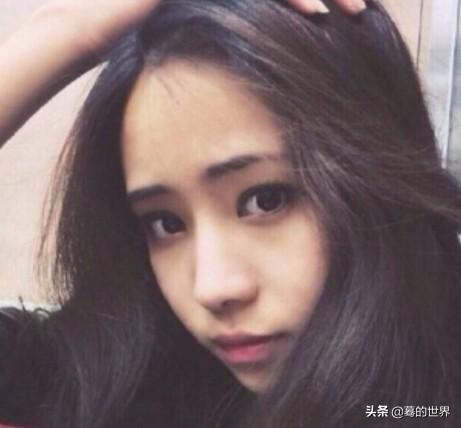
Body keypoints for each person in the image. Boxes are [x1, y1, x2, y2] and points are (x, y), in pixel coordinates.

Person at [1, 0, 461, 427]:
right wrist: (65, 31)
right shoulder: (114, 382)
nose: (213, 288)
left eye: (266, 199)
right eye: (166, 223)